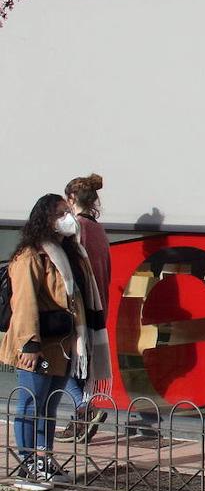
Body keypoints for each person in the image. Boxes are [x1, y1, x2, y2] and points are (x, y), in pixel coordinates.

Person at [1, 194, 110, 488]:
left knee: (49, 406)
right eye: (61, 213)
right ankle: (27, 464)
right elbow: (24, 302)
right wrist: (29, 344)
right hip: (39, 344)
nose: (68, 217)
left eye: (68, 211)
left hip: (65, 343)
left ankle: (44, 457)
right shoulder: (31, 255)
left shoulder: (71, 253)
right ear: (46, 219)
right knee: (30, 404)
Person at [55, 174, 113, 443]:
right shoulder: (100, 230)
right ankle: (81, 419)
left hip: (77, 306)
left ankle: (83, 407)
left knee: (60, 361)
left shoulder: (73, 226)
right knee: (84, 367)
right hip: (98, 306)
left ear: (70, 200)